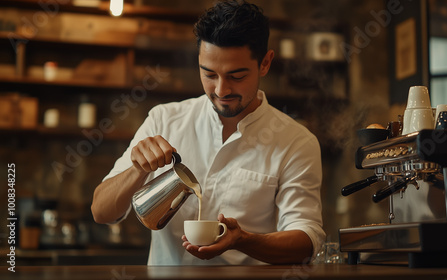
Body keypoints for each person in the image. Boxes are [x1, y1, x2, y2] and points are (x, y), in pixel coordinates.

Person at [91, 0, 325, 265]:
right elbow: (102, 212)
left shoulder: (296, 141)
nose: (222, 90)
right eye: (209, 74)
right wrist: (137, 168)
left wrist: (244, 240)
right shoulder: (164, 119)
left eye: (236, 76)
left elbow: (306, 240)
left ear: (265, 63)